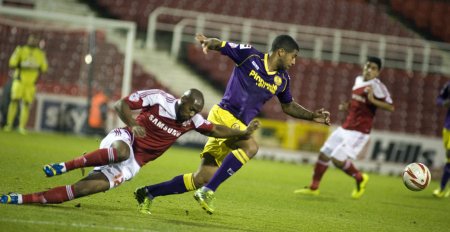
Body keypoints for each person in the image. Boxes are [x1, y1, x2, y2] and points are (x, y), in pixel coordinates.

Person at [133, 34, 331, 215]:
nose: (294, 62)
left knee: (202, 177)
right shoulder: (250, 56)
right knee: (251, 146)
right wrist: (208, 44)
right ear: (281, 52)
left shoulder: (283, 80)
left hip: (236, 127)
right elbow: (223, 46)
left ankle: (148, 192)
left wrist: (312, 116)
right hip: (223, 115)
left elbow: (288, 106)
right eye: (293, 56)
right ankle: (208, 192)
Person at [0, 88, 260, 205]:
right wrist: (133, 123)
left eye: (195, 110)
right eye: (190, 107)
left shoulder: (192, 120)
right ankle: (65, 165)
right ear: (181, 100)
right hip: (125, 139)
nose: (191, 113)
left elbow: (216, 129)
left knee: (86, 189)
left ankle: (21, 199)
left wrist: (243, 132)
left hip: (135, 163)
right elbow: (120, 104)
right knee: (121, 151)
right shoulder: (158, 98)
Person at [294, 56, 394, 199]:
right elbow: (358, 103)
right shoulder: (358, 80)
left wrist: (372, 100)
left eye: (373, 68)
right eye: (367, 66)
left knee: (337, 159)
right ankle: (313, 187)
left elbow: (391, 107)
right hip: (346, 126)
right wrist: (348, 106)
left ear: (378, 72)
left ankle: (360, 178)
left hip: (359, 131)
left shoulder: (377, 86)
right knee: (324, 153)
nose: (369, 70)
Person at [3, 34, 48, 135]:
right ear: (28, 39)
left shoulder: (40, 54)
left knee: (26, 104)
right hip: (19, 81)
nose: (33, 42)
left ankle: (21, 127)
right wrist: (24, 65)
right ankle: (9, 125)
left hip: (31, 83)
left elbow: (44, 68)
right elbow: (12, 63)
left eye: (35, 40)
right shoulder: (20, 50)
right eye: (32, 39)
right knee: (14, 101)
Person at [433, 82, 450, 198]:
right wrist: (444, 103)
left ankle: (441, 189)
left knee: (449, 157)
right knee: (448, 158)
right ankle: (442, 189)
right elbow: (439, 99)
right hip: (448, 127)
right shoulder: (448, 85)